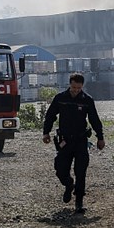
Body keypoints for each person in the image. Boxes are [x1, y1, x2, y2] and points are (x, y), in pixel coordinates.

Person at [42, 73, 105, 213]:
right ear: (70, 84)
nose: (76, 90)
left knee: (81, 171)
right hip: (65, 140)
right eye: (74, 87)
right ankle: (69, 184)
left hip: (80, 140)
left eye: (79, 87)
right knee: (60, 169)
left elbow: (94, 119)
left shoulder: (87, 100)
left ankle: (79, 202)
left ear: (82, 86)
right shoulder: (60, 98)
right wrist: (45, 132)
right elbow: (50, 116)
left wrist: (100, 137)